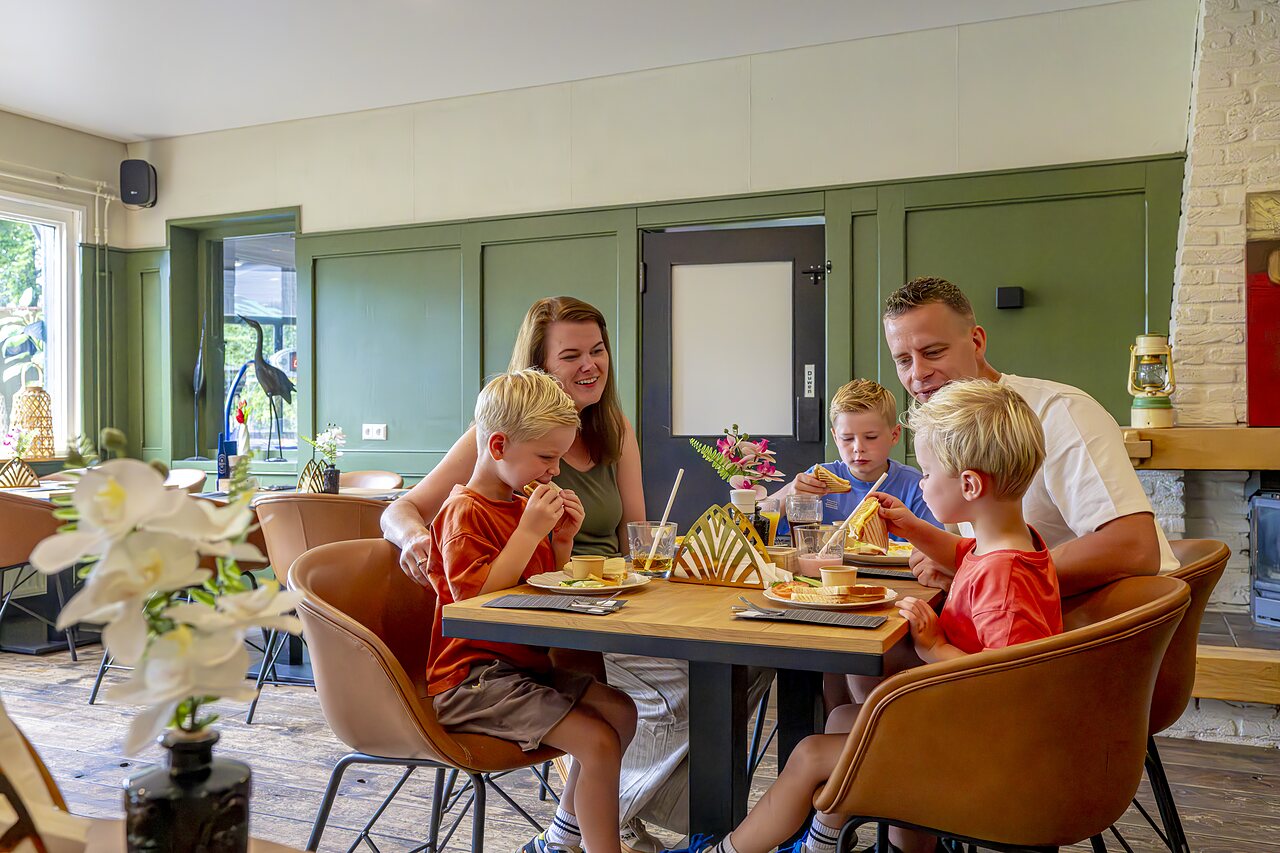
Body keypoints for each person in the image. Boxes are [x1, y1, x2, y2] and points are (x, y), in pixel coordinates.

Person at [383, 296, 736, 852]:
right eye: (571, 355)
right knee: (685, 687)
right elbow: (471, 589)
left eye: (598, 350)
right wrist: (419, 539)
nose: (591, 365)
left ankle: (576, 830)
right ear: (540, 368)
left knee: (724, 676)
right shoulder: (491, 465)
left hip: (575, 616)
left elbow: (632, 536)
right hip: (508, 653)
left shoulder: (607, 431)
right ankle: (648, 822)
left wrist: (562, 541)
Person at [667, 379, 1062, 853]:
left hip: (979, 751)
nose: (921, 481)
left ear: (971, 484)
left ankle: (726, 851)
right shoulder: (1013, 546)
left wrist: (935, 646)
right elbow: (963, 551)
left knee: (812, 752)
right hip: (966, 727)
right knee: (842, 720)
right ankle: (828, 841)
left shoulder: (1001, 578)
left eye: (930, 473)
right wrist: (913, 526)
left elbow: (1008, 683)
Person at [424, 369, 637, 853]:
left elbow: (535, 586)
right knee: (599, 742)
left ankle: (565, 835)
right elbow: (475, 605)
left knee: (621, 712)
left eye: (560, 457)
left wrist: (559, 542)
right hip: (471, 680)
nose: (555, 471)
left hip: (521, 670)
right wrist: (528, 532)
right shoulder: (464, 513)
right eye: (546, 457)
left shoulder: (520, 504)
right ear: (498, 446)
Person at [881, 277, 1176, 596]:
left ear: (977, 342)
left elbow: (1134, 546)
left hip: (1102, 627)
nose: (917, 373)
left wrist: (981, 576)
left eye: (933, 352)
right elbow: (992, 550)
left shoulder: (1059, 412)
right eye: (904, 361)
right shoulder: (943, 430)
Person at [771, 378, 939, 536]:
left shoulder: (915, 486)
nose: (858, 448)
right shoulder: (816, 481)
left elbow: (935, 544)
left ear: (894, 435)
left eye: (871, 437)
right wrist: (790, 496)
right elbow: (755, 524)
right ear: (836, 438)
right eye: (847, 439)